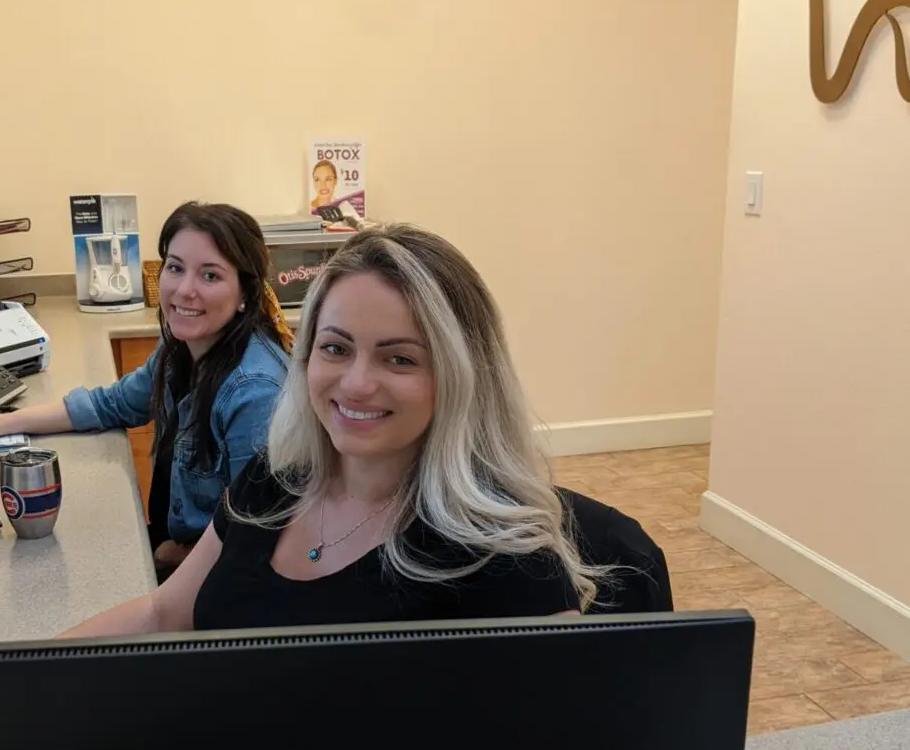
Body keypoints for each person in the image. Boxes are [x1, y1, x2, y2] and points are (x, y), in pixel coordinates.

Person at [59, 224, 604, 639]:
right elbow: (164, 612)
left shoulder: (507, 563)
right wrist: (5, 675)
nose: (357, 383)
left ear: (462, 375)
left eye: (400, 360)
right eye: (336, 349)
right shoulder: (276, 477)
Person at [0, 202, 294, 579]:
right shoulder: (181, 353)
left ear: (246, 293)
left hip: (217, 580)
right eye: (175, 267)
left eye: (210, 276)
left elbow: (256, 542)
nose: (185, 290)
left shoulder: (255, 392)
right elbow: (111, 405)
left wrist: (169, 556)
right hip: (181, 555)